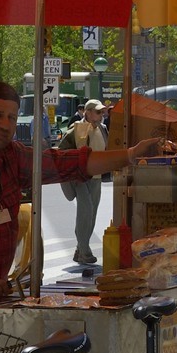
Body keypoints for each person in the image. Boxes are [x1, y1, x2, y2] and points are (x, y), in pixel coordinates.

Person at [0, 81, 166, 321]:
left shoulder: (8, 155)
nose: (5, 124)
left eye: (11, 118)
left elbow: (66, 163)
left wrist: (131, 154)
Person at [69, 98, 107, 266]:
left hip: (97, 176)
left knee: (92, 214)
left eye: (101, 112)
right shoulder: (76, 128)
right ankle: (84, 251)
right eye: (98, 111)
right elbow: (64, 148)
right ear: (88, 112)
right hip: (80, 176)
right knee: (86, 211)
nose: (101, 114)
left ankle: (80, 248)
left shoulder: (103, 128)